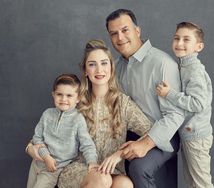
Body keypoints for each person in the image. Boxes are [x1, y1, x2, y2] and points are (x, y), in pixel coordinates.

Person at [51, 39, 152, 188]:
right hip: (77, 168)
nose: (99, 70)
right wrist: (34, 147)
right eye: (92, 64)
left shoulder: (123, 103)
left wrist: (119, 154)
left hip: (110, 169)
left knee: (125, 184)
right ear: (85, 70)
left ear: (111, 67)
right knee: (102, 179)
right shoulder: (76, 101)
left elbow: (150, 132)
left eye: (104, 63)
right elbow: (51, 129)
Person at [105, 9, 185, 188]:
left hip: (163, 133)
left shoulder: (162, 63)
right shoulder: (115, 68)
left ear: (137, 31)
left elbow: (175, 115)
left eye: (125, 30)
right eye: (114, 33)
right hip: (129, 134)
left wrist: (146, 144)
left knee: (139, 167)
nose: (120, 37)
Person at [156, 22, 214, 188]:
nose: (179, 43)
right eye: (176, 38)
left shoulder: (194, 70)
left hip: (196, 136)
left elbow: (198, 103)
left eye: (186, 39)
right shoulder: (184, 65)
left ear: (199, 46)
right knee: (192, 182)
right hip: (190, 135)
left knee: (201, 183)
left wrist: (169, 94)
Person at [26, 74, 98, 188]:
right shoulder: (47, 114)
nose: (64, 99)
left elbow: (87, 144)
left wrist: (92, 162)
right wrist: (46, 156)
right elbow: (37, 138)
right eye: (59, 94)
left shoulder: (78, 119)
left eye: (69, 95)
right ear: (53, 95)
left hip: (53, 168)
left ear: (78, 98)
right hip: (37, 162)